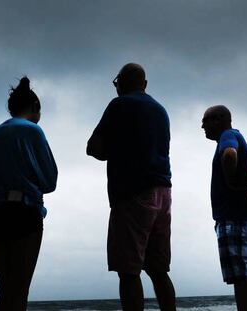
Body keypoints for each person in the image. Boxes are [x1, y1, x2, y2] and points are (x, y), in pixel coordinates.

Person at [87, 63, 175, 311]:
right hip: (163, 192)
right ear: (145, 84)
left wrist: (115, 150)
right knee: (158, 270)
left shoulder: (120, 105)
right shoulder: (161, 110)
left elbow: (93, 146)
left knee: (128, 270)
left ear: (120, 83)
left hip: (132, 193)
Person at [0, 76, 58, 311]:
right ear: (35, 107)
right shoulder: (34, 131)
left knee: (5, 289)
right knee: (20, 289)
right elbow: (49, 180)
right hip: (24, 213)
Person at [201, 105, 247, 311]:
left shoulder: (228, 136)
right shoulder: (235, 136)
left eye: (206, 120)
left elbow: (229, 155)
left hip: (232, 216)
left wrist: (231, 181)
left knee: (240, 275)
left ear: (220, 119)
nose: (202, 126)